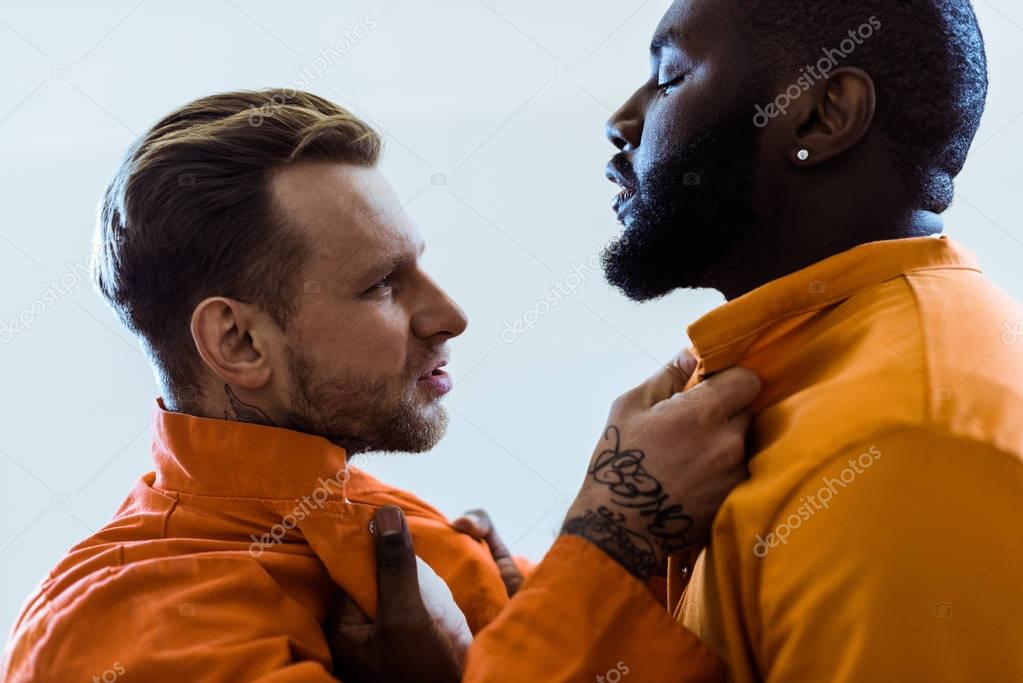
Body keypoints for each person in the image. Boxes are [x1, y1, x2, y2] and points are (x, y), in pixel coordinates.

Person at [335, 0, 1023, 680]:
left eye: (668, 75)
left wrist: (604, 549)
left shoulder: (906, 449)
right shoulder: (804, 365)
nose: (621, 122)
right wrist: (569, 618)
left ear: (822, 115)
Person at [1, 89, 760, 682]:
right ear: (237, 341)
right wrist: (613, 540)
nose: (450, 315)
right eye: (381, 285)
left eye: (417, 265)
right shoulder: (131, 628)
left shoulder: (369, 523)